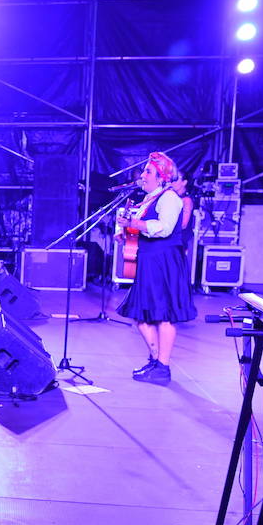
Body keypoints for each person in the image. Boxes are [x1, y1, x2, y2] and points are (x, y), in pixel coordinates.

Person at [115, 151, 197, 385]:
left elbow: (165, 228)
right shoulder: (151, 198)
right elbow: (140, 227)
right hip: (149, 260)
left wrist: (134, 224)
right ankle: (155, 360)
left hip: (163, 262)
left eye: (148, 171)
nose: (143, 175)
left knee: (163, 315)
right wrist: (127, 233)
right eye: (144, 171)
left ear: (161, 177)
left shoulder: (169, 198)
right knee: (142, 314)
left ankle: (163, 366)